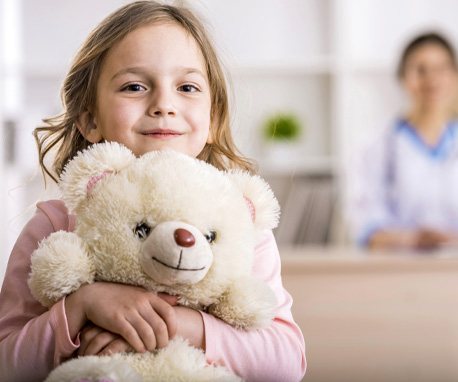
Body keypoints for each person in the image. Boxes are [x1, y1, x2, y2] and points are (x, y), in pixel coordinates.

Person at [0, 2, 306, 381]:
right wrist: (81, 307)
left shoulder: (238, 224)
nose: (164, 105)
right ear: (90, 119)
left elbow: (287, 363)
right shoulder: (55, 224)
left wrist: (179, 326)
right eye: (135, 86)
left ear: (213, 119)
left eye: (187, 87)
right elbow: (7, 364)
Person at [346, 32, 458, 252]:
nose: (432, 79)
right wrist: (412, 240)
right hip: (394, 274)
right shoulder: (373, 146)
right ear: (402, 77)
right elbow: (364, 226)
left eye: (442, 69)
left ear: (457, 76)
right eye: (420, 70)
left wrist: (445, 241)